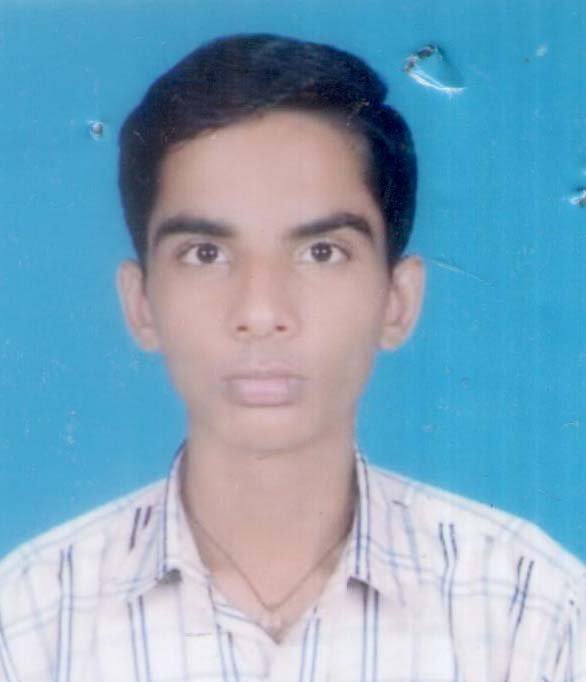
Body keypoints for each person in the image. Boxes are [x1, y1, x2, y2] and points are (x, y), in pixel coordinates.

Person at [0, 33, 584, 682]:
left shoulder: (534, 615)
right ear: (141, 304)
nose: (261, 311)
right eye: (205, 254)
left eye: (321, 252)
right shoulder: (27, 627)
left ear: (398, 300)